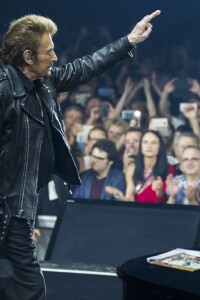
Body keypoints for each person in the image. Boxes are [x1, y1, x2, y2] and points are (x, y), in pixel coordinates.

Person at [0, 10, 161, 300]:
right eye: (48, 51)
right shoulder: (4, 90)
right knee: (28, 288)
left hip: (20, 205)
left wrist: (128, 41)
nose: (55, 56)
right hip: (8, 208)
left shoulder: (44, 83)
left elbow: (84, 67)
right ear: (27, 56)